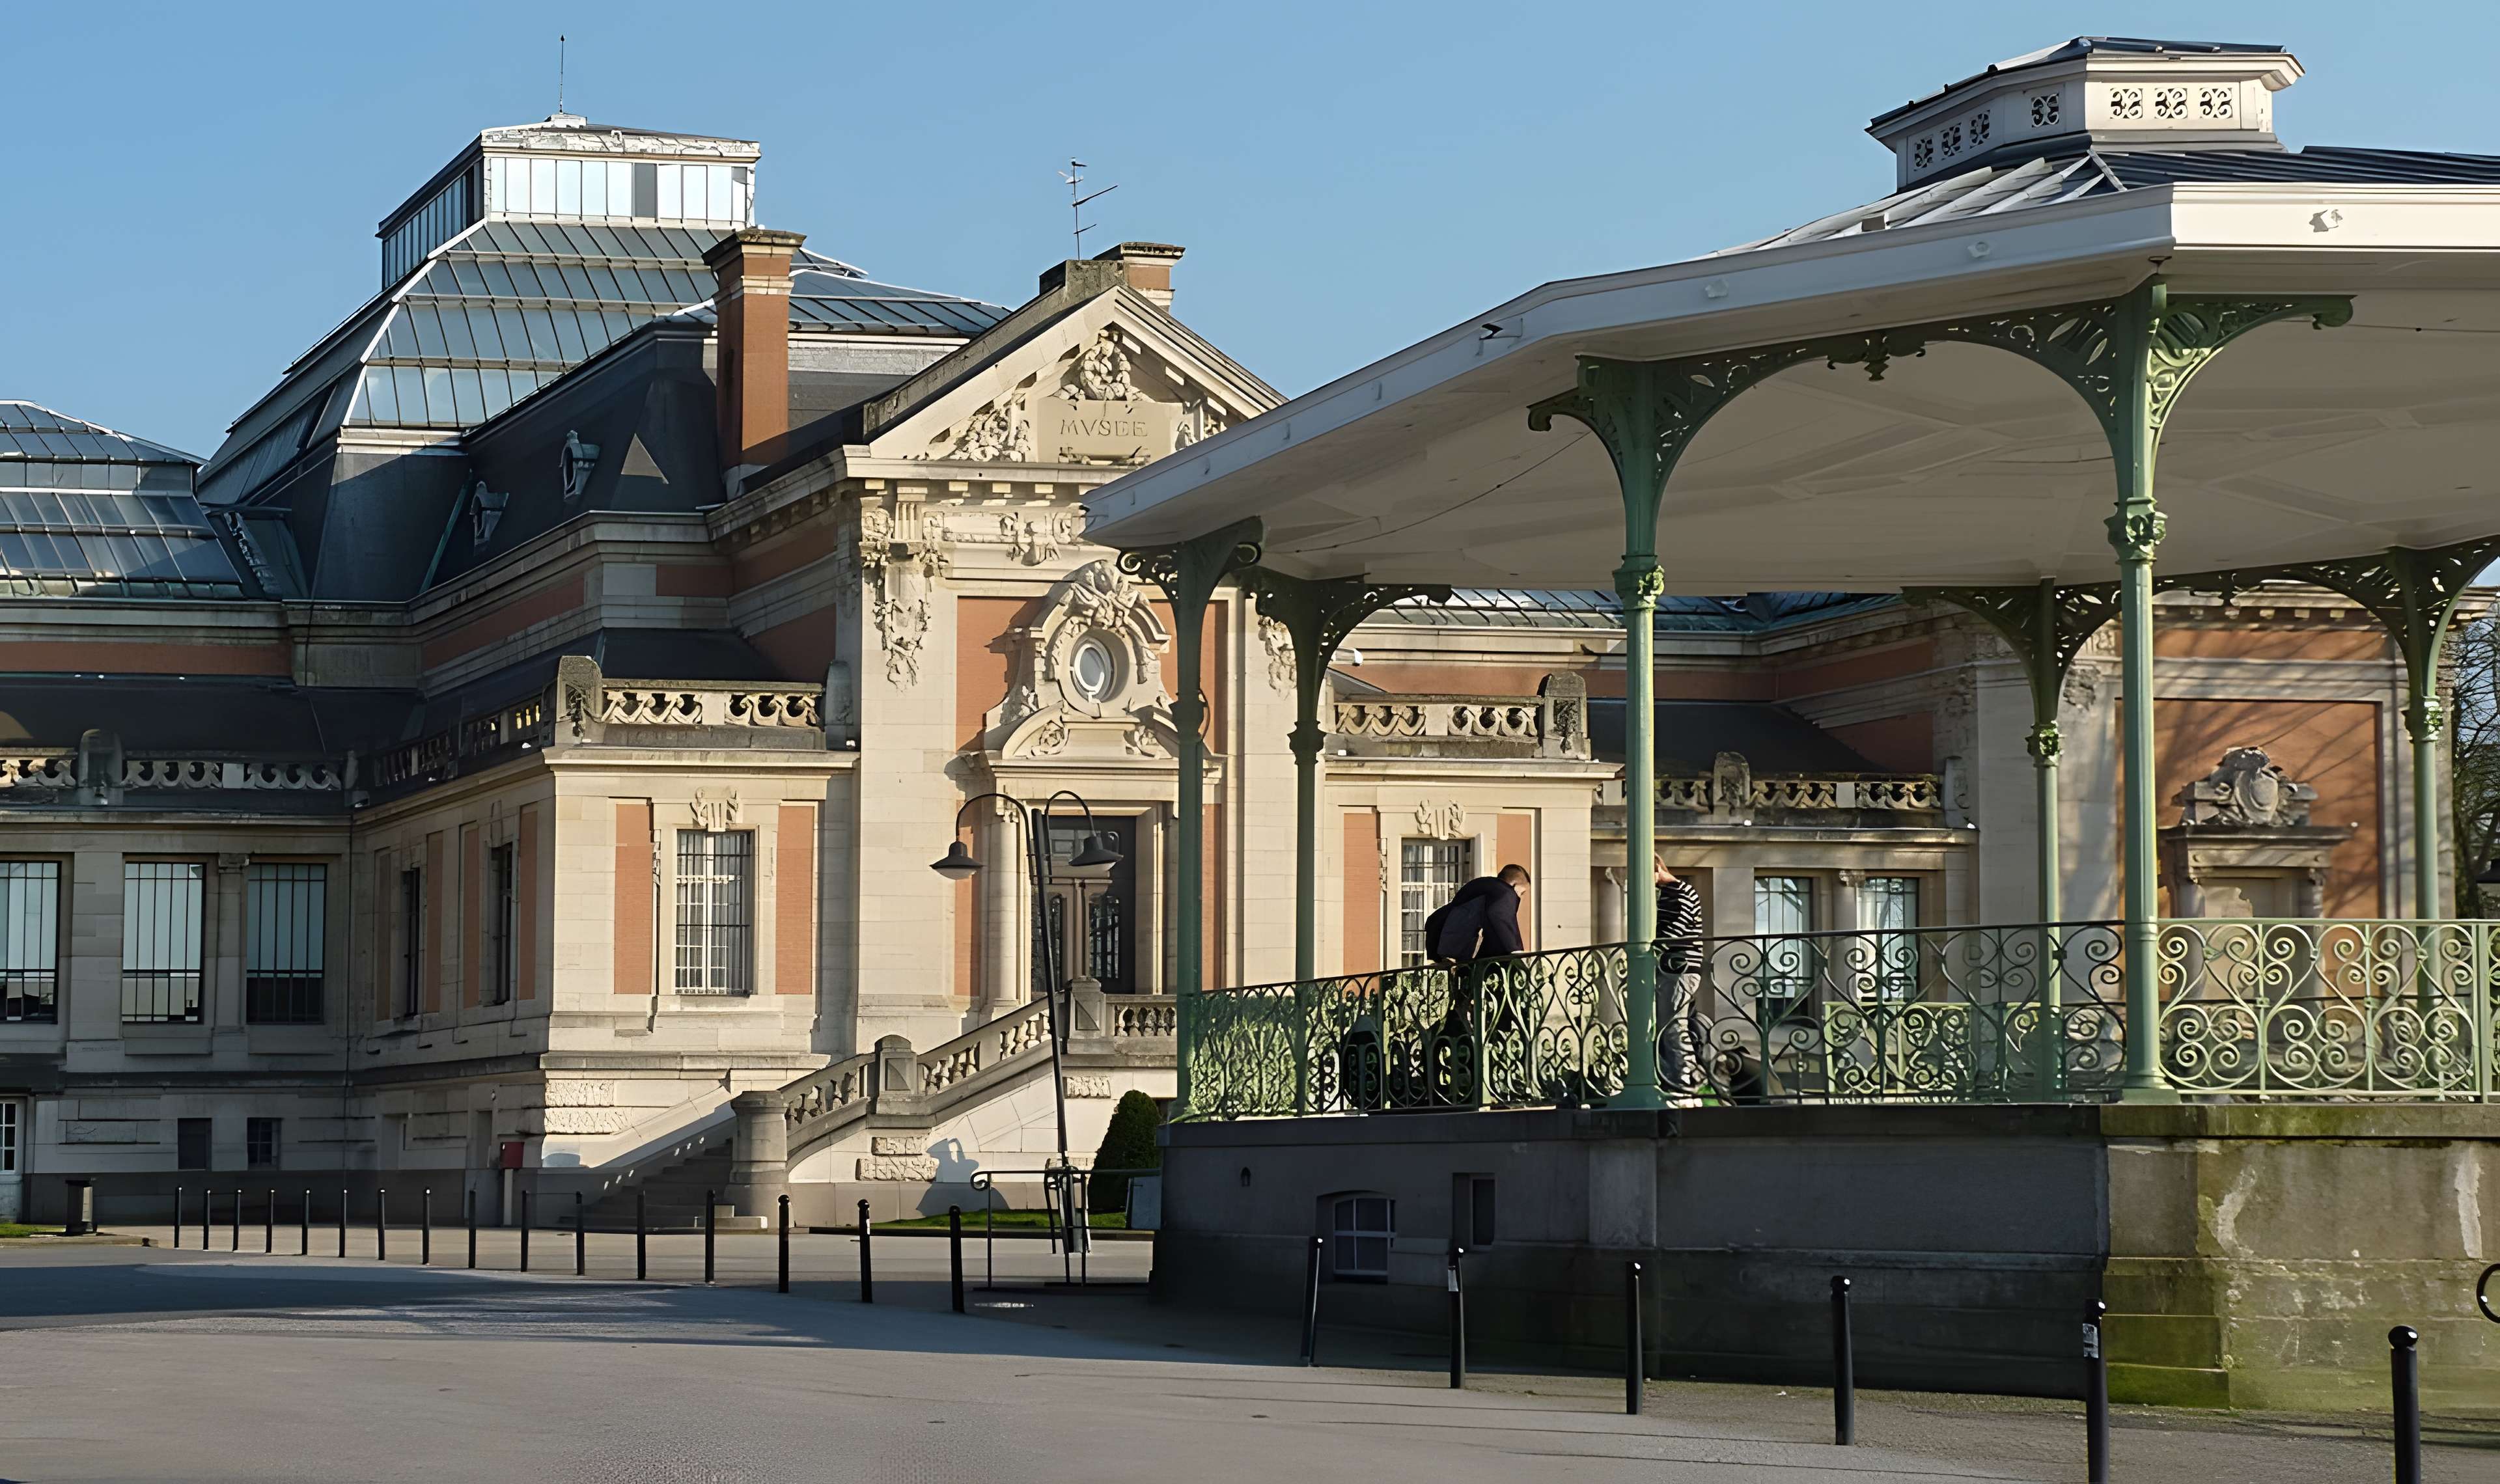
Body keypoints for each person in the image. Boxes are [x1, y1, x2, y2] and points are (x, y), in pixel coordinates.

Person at [1421, 865, 1531, 1103]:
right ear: (1514, 885)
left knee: (1460, 1011)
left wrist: (1443, 956)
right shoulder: (1503, 893)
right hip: (1464, 955)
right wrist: (1518, 953)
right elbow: (1501, 918)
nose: (1518, 900)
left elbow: (1447, 920)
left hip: (1453, 951)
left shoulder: (1478, 889)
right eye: (1521, 894)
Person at [1654, 859, 1704, 1097]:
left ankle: (1685, 1081)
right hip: (1681, 968)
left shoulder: (1675, 892)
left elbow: (1671, 931)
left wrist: (1647, 947)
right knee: (1671, 1025)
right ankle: (1682, 1078)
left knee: (1673, 1026)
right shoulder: (1681, 890)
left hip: (1678, 969)